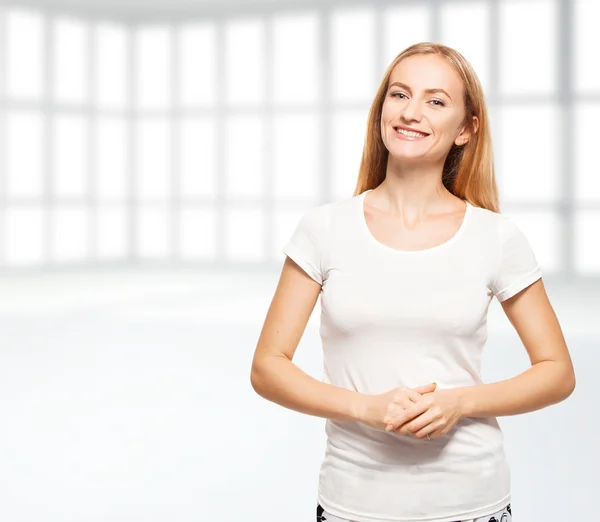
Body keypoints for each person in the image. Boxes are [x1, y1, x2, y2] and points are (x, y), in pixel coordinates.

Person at [250, 42, 576, 522]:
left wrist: (459, 402)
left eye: (436, 100)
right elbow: (267, 368)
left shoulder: (496, 237)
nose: (411, 111)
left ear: (467, 129)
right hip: (351, 504)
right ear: (382, 109)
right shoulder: (324, 229)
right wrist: (365, 408)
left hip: (471, 502)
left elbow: (557, 371)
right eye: (399, 94)